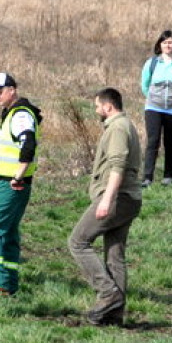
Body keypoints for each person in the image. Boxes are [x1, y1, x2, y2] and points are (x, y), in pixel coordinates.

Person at [68, 88, 142, 327]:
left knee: (78, 242)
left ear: (108, 106)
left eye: (98, 106)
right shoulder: (125, 125)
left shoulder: (118, 128)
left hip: (118, 198)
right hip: (129, 198)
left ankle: (108, 293)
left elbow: (117, 166)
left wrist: (106, 200)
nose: (96, 110)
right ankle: (114, 315)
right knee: (114, 255)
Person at [0, 72, 41, 295]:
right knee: (8, 231)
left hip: (9, 184)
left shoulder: (20, 114)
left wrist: (17, 176)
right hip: (13, 183)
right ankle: (9, 282)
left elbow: (28, 143)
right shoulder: (13, 113)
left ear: (12, 90)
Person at [140, 30, 172, 187]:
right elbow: (145, 85)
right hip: (153, 108)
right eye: (164, 42)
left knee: (170, 143)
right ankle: (147, 177)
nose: (168, 45)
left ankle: (169, 176)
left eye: (170, 42)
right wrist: (154, 99)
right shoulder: (152, 63)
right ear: (159, 45)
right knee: (153, 142)